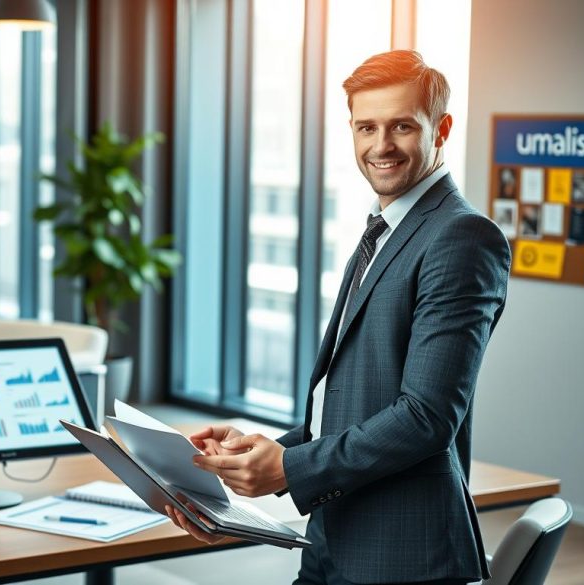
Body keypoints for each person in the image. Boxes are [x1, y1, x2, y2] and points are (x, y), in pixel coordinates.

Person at [165, 50, 510, 585]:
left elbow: (426, 417)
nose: (381, 146)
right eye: (365, 127)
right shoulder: (386, 226)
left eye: (401, 126)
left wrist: (289, 470)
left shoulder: (462, 237)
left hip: (403, 558)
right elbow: (353, 405)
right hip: (333, 539)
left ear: (441, 128)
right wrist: (261, 454)